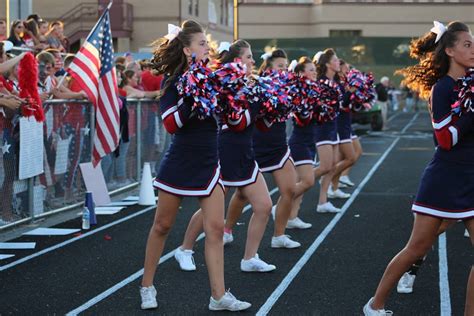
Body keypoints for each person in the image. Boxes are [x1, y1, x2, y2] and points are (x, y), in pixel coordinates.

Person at [363, 21, 474, 316]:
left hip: (471, 176)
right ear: (449, 50)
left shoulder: (469, 84)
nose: (473, 49)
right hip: (445, 178)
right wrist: (471, 110)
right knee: (416, 248)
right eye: (467, 44)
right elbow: (446, 139)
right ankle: (375, 305)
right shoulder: (443, 88)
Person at [139, 20, 251, 312]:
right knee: (162, 226)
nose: (207, 48)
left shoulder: (214, 80)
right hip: (181, 160)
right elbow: (172, 124)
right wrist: (193, 96)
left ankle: (219, 296)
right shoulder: (173, 82)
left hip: (209, 160)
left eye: (207, 43)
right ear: (187, 49)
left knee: (215, 228)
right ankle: (147, 286)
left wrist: (237, 100)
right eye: (202, 43)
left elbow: (233, 121)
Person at [252, 48, 301, 248]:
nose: (284, 69)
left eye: (285, 66)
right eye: (280, 66)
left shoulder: (287, 86)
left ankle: (278, 236)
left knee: (289, 190)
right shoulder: (258, 85)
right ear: (269, 67)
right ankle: (228, 229)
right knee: (241, 195)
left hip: (279, 146)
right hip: (257, 145)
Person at [287, 56, 317, 229]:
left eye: (314, 69)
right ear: (301, 73)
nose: (314, 72)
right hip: (300, 141)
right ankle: (282, 206)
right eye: (311, 69)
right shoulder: (298, 91)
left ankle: (292, 217)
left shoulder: (314, 90)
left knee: (301, 182)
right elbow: (302, 118)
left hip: (310, 140)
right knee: (307, 181)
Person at [312, 49, 344, 213]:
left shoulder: (336, 82)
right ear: (327, 64)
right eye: (336, 60)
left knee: (332, 166)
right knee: (324, 166)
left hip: (333, 127)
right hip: (322, 128)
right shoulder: (320, 82)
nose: (339, 62)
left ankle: (322, 202)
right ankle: (294, 188)